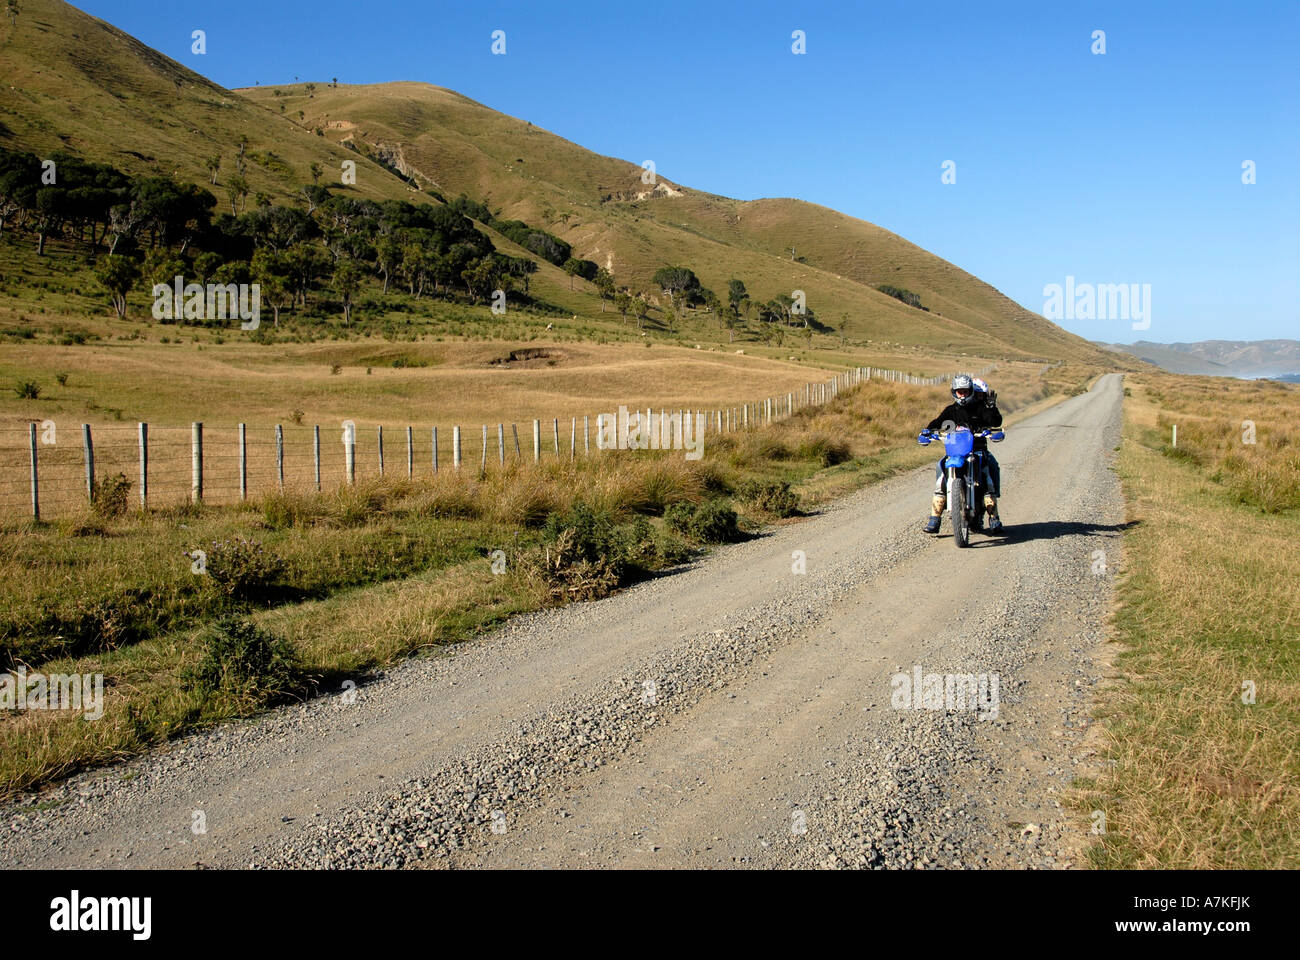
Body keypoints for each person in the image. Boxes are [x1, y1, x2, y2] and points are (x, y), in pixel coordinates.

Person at [920, 374, 1003, 534]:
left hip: (977, 450)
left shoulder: (980, 408)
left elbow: (995, 422)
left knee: (987, 471)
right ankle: (934, 518)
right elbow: (938, 423)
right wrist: (927, 432)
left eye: (965, 391)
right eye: (960, 392)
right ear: (954, 392)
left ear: (970, 391)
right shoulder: (951, 410)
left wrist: (992, 408)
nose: (963, 395)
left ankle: (994, 518)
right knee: (940, 467)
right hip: (955, 452)